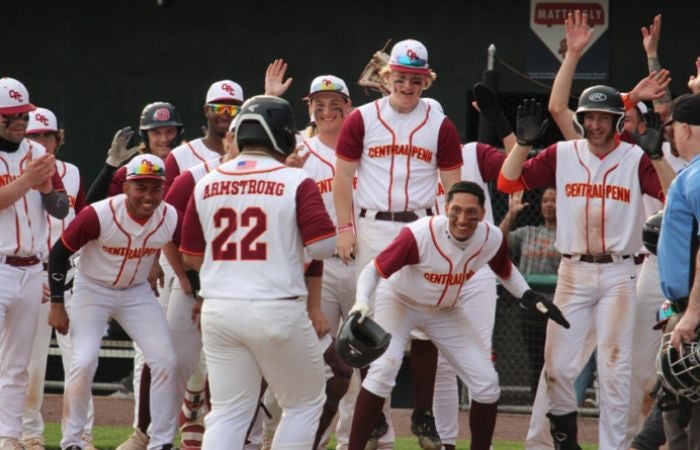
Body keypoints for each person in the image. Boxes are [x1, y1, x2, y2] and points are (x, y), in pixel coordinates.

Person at [499, 77, 669, 448]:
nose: (594, 124)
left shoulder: (635, 158)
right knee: (557, 368)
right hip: (572, 272)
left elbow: (675, 199)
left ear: (617, 122)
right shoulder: (563, 154)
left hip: (620, 273)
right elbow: (507, 183)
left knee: (614, 369)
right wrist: (523, 145)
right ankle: (560, 442)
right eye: (589, 116)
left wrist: (657, 158)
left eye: (603, 117)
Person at [345, 181, 569, 450]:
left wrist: (528, 296)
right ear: (446, 208)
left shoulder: (489, 237)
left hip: (445, 310)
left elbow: (504, 268)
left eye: (471, 212)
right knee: (383, 370)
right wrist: (361, 301)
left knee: (487, 385)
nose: (463, 219)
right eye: (456, 211)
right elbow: (374, 269)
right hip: (400, 302)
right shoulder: (420, 234)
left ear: (482, 213)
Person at [179, 95, 337, 450]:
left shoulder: (206, 181)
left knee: (228, 412)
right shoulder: (296, 180)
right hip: (276, 307)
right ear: (281, 133)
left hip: (219, 309)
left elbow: (190, 255)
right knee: (304, 403)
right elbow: (325, 246)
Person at [333, 37, 463, 450]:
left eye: (416, 80)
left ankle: (422, 415)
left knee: (425, 324)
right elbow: (342, 177)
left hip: (423, 228)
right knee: (366, 323)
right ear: (387, 76)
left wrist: (453, 234)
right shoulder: (361, 119)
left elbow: (454, 185)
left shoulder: (440, 124)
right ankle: (375, 420)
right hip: (372, 226)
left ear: (427, 81)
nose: (408, 86)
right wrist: (344, 228)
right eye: (401, 78)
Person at [48, 154, 181, 450]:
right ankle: (72, 441)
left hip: (136, 292)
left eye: (155, 188)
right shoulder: (99, 214)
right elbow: (59, 253)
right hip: (93, 288)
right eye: (140, 187)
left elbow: (188, 251)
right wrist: (57, 302)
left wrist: (190, 287)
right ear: (126, 188)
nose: (148, 195)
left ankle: (161, 442)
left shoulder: (170, 215)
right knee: (83, 361)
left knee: (165, 360)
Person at [0, 77, 69, 450]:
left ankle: (8, 437)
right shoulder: (30, 164)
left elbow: (61, 207)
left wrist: (46, 189)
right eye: (10, 117)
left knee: (17, 365)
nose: (20, 123)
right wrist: (29, 180)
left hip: (30, 268)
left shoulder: (36, 153)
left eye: (22, 115)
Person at [21, 108, 93, 450]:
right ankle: (29, 434)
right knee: (28, 365)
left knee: (80, 361)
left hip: (69, 273)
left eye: (46, 135)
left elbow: (81, 223)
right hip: (29, 272)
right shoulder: (14, 173)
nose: (40, 142)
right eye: (33, 136)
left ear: (57, 139)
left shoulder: (72, 173)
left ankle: (80, 436)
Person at [659, 94, 700, 447]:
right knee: (677, 412)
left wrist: (692, 314)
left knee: (688, 419)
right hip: (683, 306)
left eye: (672, 127)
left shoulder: (699, 175)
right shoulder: (692, 173)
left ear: (684, 128)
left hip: (694, 310)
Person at [498, 189, 559, 397]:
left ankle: (558, 408)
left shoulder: (569, 236)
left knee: (557, 362)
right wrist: (512, 214)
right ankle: (536, 408)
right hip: (530, 307)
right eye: (545, 200)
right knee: (536, 362)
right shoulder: (528, 232)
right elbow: (498, 243)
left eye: (554, 200)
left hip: (557, 307)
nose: (549, 204)